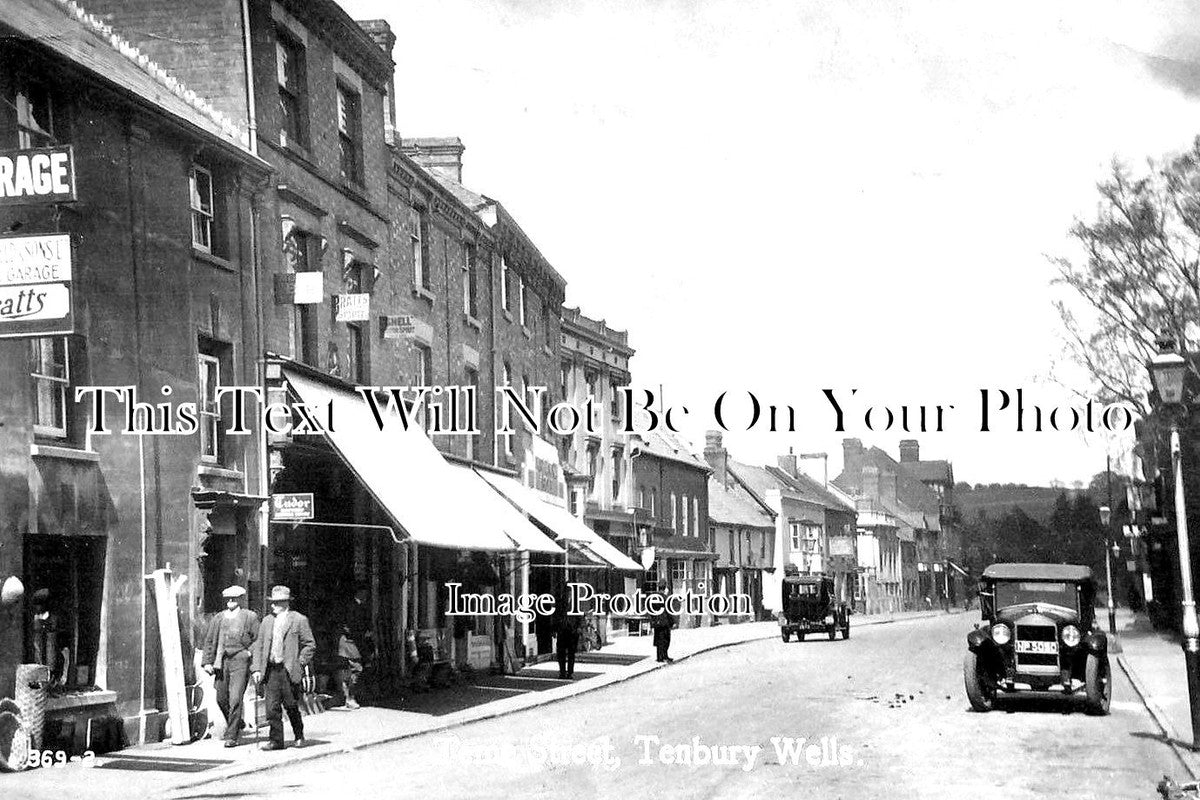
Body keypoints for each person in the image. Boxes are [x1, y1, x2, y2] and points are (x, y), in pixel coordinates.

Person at [251, 585, 316, 751]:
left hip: (289, 669)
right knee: (271, 707)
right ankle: (276, 741)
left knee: (291, 704)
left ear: (286, 603)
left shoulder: (299, 619)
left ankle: (299, 735)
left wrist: (300, 661)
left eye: (277, 603)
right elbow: (258, 645)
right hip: (271, 669)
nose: (273, 606)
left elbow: (310, 644)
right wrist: (257, 668)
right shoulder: (267, 621)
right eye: (272, 602)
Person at [201, 585, 259, 747]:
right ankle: (236, 722)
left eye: (234, 598)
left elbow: (258, 640)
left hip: (240, 661)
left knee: (235, 698)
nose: (231, 602)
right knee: (221, 698)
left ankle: (232, 735)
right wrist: (207, 662)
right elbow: (210, 640)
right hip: (222, 661)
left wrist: (249, 654)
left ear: (241, 599)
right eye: (228, 599)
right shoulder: (219, 618)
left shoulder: (249, 617)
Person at [554, 604, 580, 679]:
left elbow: (580, 617)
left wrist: (578, 628)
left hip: (572, 633)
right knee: (561, 654)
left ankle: (569, 673)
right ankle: (562, 672)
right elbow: (555, 617)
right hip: (561, 632)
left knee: (571, 654)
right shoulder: (559, 603)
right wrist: (554, 629)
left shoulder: (575, 603)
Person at [649, 594, 677, 663]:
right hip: (664, 622)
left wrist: (653, 622)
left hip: (657, 623)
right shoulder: (665, 598)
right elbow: (668, 611)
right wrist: (672, 622)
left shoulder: (654, 598)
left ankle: (659, 657)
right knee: (665, 640)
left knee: (659, 640)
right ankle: (664, 656)